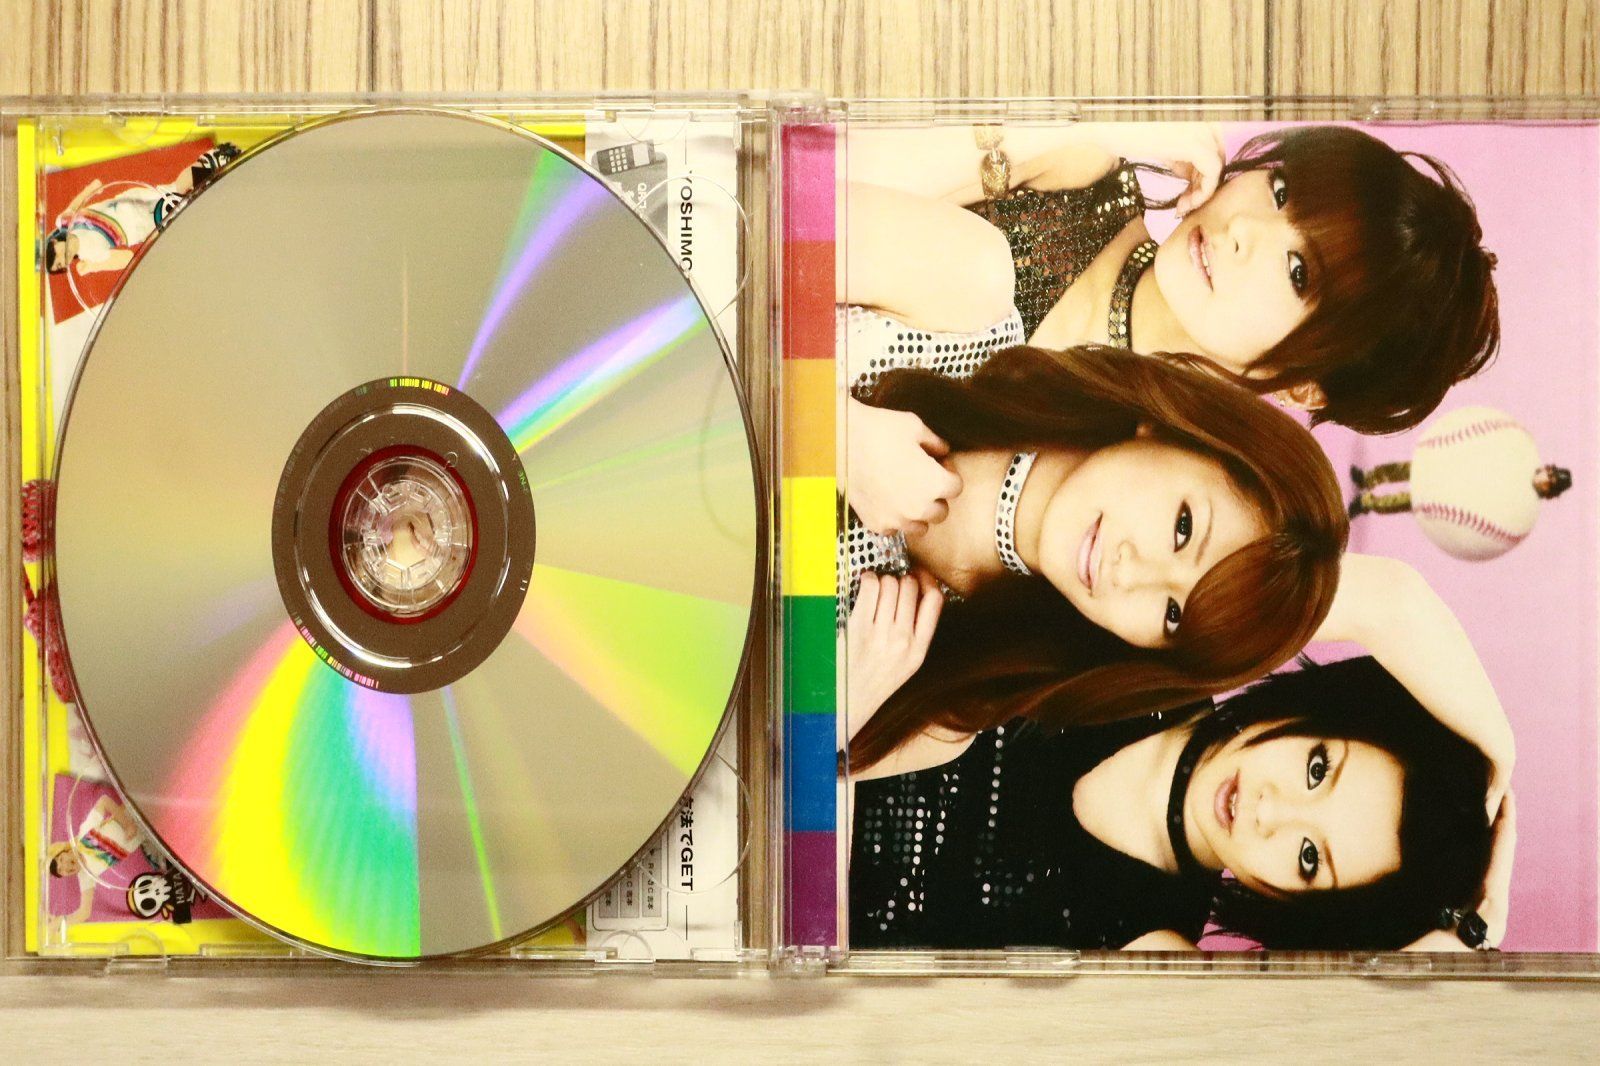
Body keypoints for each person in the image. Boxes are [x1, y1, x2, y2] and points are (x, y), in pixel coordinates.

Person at [846, 560, 1518, 951]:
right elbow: (1392, 598)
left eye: (1309, 858)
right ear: (1314, 713)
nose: (1271, 812)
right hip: (800, 640)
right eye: (1317, 769)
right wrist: (1499, 757)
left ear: (1305, 913)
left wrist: (1463, 944)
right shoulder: (1167, 641)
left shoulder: (1156, 954)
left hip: (781, 892)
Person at [842, 343, 1347, 759]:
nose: (1130, 576)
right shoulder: (960, 320)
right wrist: (836, 429)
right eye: (1183, 528)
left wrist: (844, 706)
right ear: (1175, 429)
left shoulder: (945, 710)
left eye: (1172, 614)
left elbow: (793, 820)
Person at [844, 122, 1500, 437]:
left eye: (1299, 272)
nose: (1245, 229)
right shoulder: (1078, 171)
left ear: (1305, 385)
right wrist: (1055, 134)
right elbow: (810, 187)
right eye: (1280, 190)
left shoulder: (1139, 485)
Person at [43, 143, 241, 277]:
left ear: (54, 242)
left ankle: (214, 160)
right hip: (138, 227)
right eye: (60, 265)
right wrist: (94, 267)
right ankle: (217, 185)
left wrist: (91, 189)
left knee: (173, 189)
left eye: (56, 257)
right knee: (177, 209)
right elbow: (126, 259)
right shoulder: (90, 254)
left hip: (129, 200)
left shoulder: (64, 222)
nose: (62, 260)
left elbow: (75, 205)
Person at [1350, 460, 1573, 516]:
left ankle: (1367, 503)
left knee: (1412, 499)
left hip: (1463, 495)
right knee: (1411, 469)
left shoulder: (1525, 502)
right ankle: (1368, 478)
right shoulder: (1522, 462)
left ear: (1549, 492)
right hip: (1462, 471)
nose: (1546, 478)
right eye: (1550, 474)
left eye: (1551, 483)